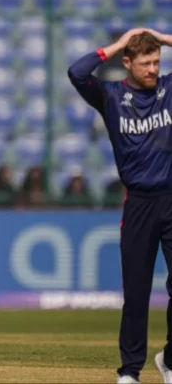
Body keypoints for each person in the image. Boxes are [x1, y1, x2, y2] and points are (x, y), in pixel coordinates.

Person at [67, 27, 172, 384]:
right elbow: (76, 72)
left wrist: (163, 37)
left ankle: (170, 360)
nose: (153, 69)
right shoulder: (111, 96)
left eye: (157, 61)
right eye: (146, 63)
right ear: (127, 63)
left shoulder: (168, 89)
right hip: (139, 203)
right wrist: (117, 45)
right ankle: (130, 372)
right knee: (137, 294)